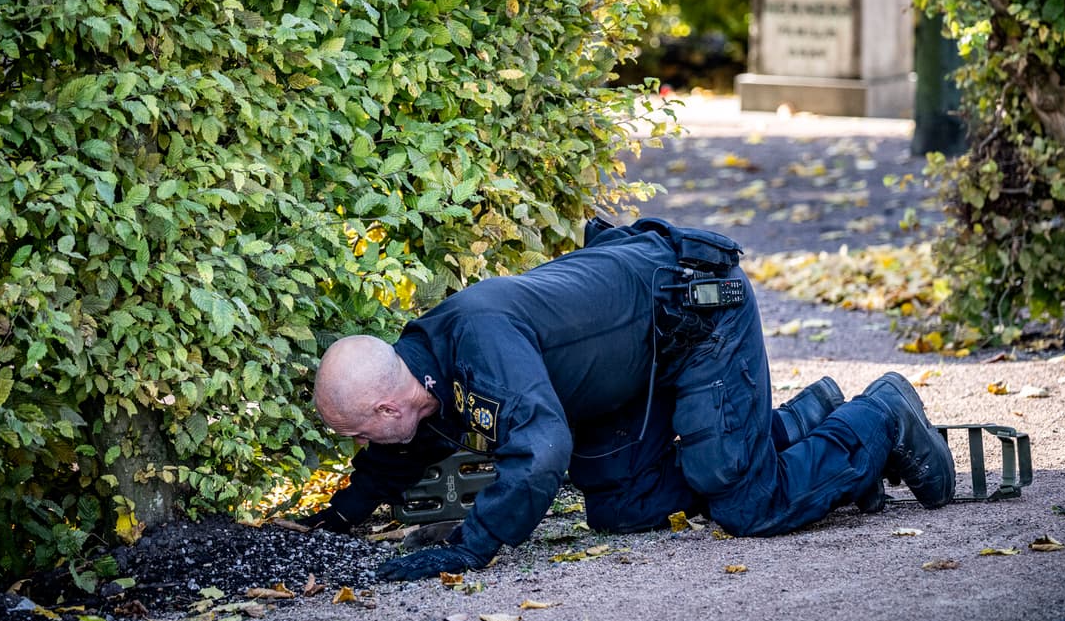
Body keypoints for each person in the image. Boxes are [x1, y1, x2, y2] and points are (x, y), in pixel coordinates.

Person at [302, 217, 955, 581]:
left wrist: (472, 548)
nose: (359, 444)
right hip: (634, 355)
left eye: (357, 431)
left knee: (747, 502)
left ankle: (882, 416)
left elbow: (542, 451)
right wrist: (336, 519)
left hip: (698, 313)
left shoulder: (477, 342)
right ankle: (807, 420)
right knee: (624, 507)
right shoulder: (419, 371)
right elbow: (396, 456)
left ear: (386, 407)